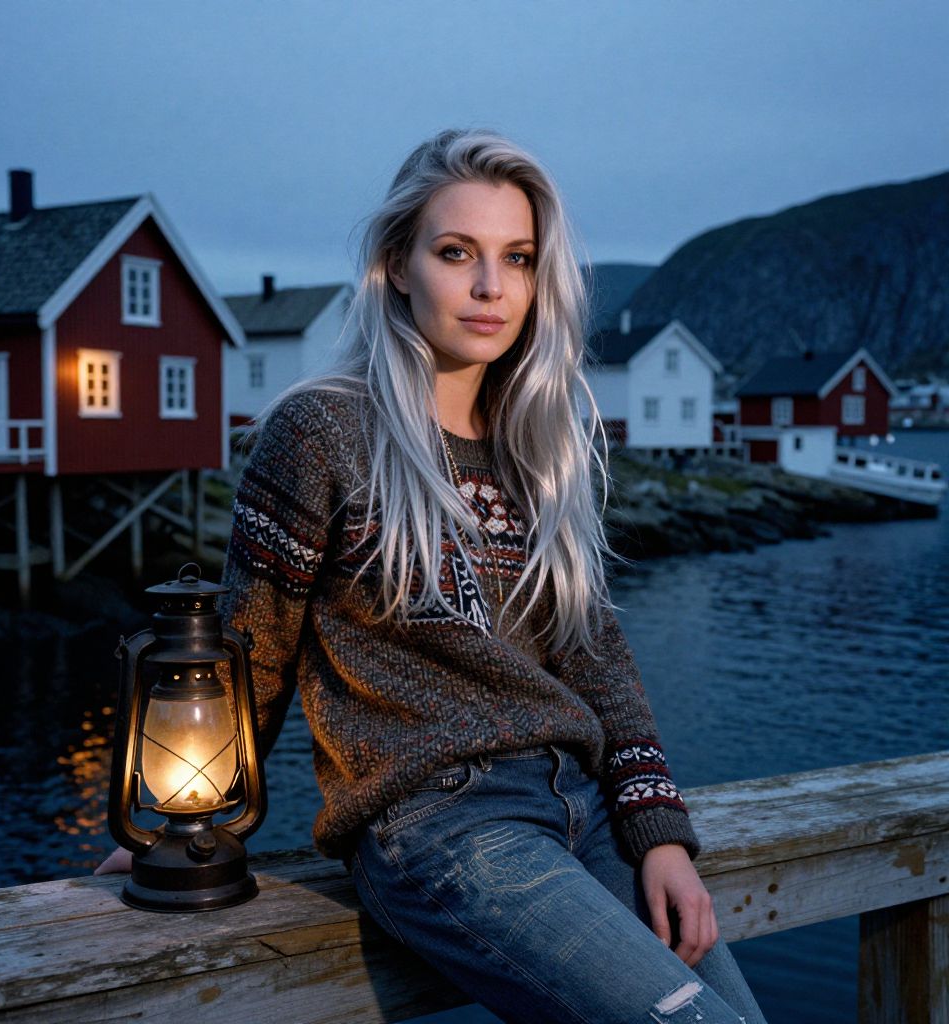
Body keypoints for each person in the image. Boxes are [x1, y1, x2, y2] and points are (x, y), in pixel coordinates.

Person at [99, 129, 766, 1024]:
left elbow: (594, 652)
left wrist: (657, 830)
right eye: (458, 253)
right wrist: (188, 826)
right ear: (398, 266)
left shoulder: (542, 446)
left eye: (518, 259)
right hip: (444, 824)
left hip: (581, 804)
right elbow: (252, 651)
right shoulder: (322, 432)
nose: (493, 288)